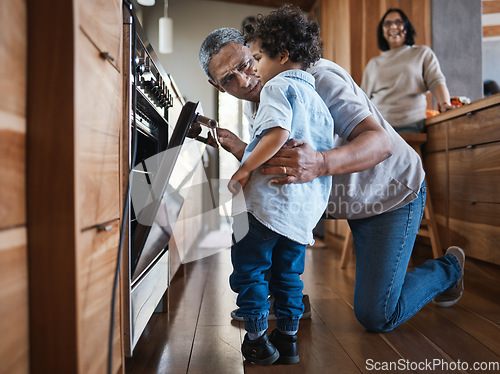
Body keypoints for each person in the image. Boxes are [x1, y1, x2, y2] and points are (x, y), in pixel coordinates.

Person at [197, 9, 465, 340]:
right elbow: (285, 163)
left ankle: (450, 268)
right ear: (217, 86)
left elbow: (380, 144)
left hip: (389, 194)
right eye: (228, 79)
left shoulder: (318, 77)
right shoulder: (262, 96)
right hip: (342, 198)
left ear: (260, 50)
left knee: (377, 316)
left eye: (246, 63)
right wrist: (238, 147)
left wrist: (321, 163)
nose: (244, 78)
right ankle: (288, 300)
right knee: (258, 219)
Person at [219, 6, 334, 366]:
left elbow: (277, 133)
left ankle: (256, 339)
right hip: (301, 215)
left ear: (282, 56)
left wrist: (243, 169)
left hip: (265, 207)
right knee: (289, 275)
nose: (253, 68)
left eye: (257, 58)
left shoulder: (276, 86)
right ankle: (287, 339)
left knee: (249, 268)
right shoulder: (318, 101)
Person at [361, 8, 455, 133]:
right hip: (379, 127)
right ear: (382, 32)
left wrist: (445, 104)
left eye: (399, 22)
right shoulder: (373, 63)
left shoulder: (422, 53)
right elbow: (363, 99)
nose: (393, 26)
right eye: (387, 24)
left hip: (412, 126)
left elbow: (436, 81)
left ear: (407, 28)